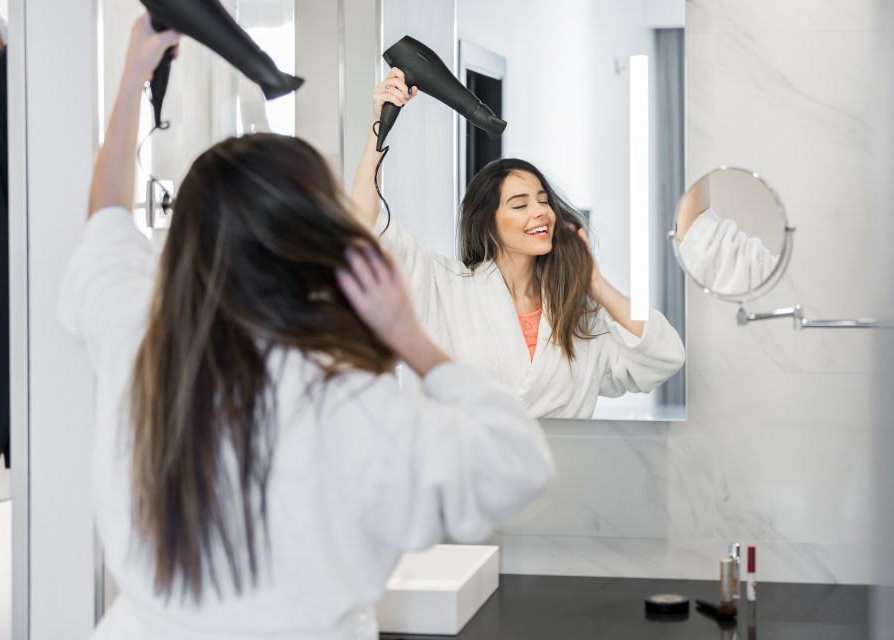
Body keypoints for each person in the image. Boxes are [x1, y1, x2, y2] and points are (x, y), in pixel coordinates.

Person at [57, 16, 553, 640]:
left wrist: (135, 76)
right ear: (317, 242)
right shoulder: (349, 403)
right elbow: (521, 464)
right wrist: (412, 341)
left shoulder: (138, 339)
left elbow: (104, 220)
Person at [350, 69, 686, 418]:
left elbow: (664, 357)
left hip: (564, 471)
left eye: (543, 200)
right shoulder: (446, 289)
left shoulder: (579, 312)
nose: (541, 212)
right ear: (488, 224)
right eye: (521, 205)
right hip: (465, 470)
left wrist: (596, 286)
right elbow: (364, 227)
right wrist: (379, 124)